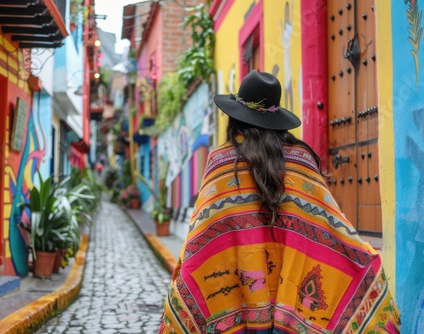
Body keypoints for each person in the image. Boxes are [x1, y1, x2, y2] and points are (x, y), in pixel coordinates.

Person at [158, 71, 400, 333]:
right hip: (294, 302)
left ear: (235, 118)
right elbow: (331, 227)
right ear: (277, 120)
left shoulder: (220, 162)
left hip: (235, 292)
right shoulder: (301, 161)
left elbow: (202, 236)